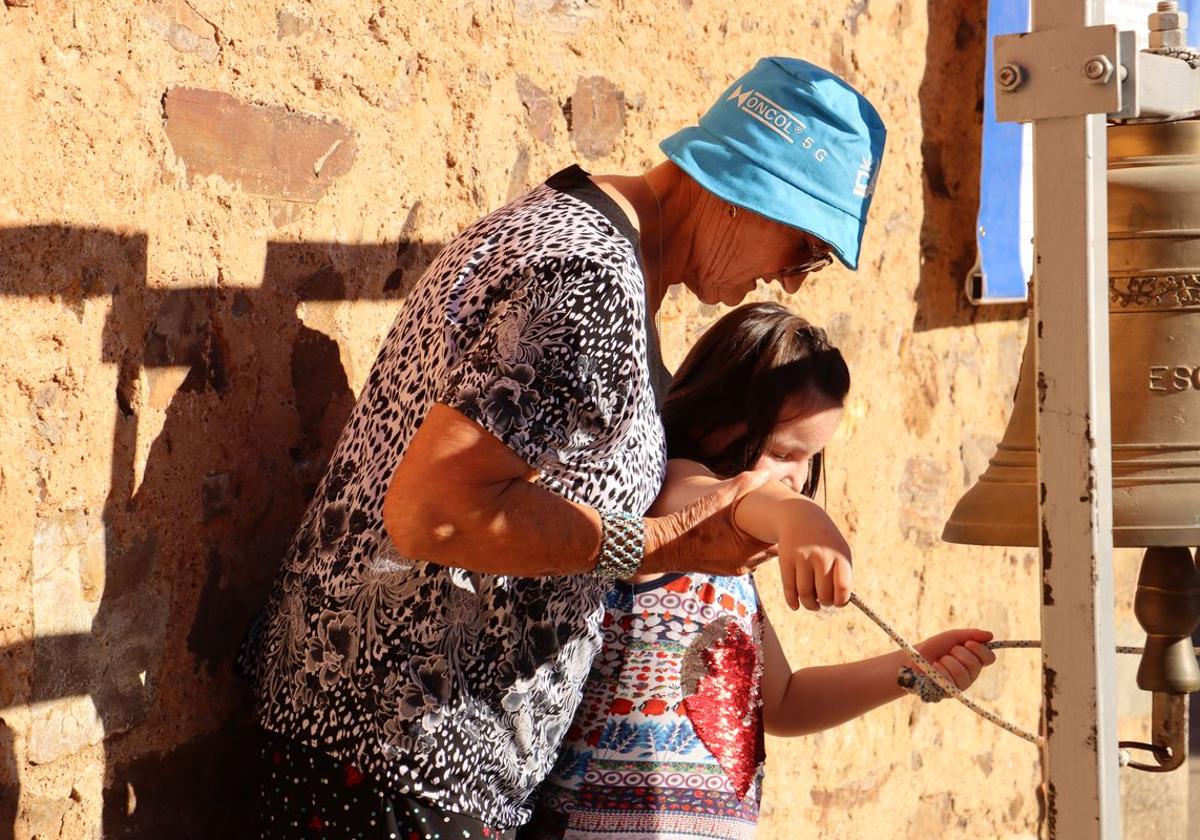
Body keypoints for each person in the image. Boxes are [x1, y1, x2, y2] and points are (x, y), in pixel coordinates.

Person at [248, 58, 887, 839]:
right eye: (804, 249)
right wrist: (652, 541)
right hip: (397, 752)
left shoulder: (583, 236)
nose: (790, 281)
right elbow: (432, 513)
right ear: (745, 188)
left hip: (392, 746)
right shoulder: (590, 275)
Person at [521, 303, 997, 839]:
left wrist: (907, 671)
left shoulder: (731, 572)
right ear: (712, 419)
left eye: (809, 460)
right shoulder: (671, 500)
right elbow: (725, 500)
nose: (795, 477)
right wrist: (800, 515)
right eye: (780, 451)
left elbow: (784, 702)